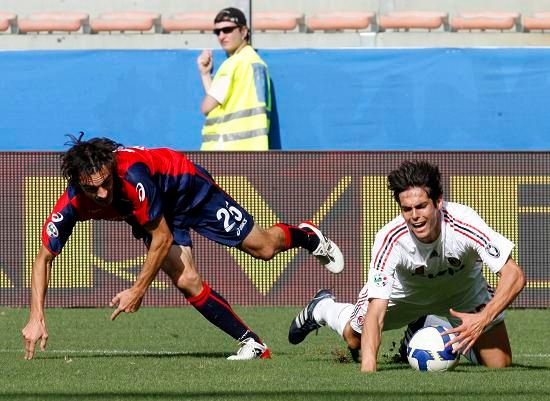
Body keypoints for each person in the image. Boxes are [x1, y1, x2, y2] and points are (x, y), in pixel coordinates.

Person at [21, 134, 343, 361]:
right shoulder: (73, 203)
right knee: (187, 280)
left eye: (106, 183)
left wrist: (137, 290)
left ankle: (305, 235)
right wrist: (37, 315)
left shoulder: (132, 177)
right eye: (94, 189)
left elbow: (160, 239)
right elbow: (43, 258)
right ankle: (253, 344)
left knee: (263, 248)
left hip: (187, 188)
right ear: (78, 182)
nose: (103, 194)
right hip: (157, 214)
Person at [288, 160, 526, 372]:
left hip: (462, 294)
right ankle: (323, 308)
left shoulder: (463, 223)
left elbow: (514, 275)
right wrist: (368, 370)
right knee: (354, 340)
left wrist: (482, 319)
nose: (414, 216)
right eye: (407, 209)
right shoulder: (390, 239)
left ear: (438, 202)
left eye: (421, 206)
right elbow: (377, 311)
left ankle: (427, 325)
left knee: (499, 364)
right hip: (403, 297)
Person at [197, 7, 271, 151]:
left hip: (225, 153)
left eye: (228, 30)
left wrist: (204, 75)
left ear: (243, 32)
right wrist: (206, 74)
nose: (221, 36)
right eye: (217, 32)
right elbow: (219, 105)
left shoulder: (233, 64)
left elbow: (207, 107)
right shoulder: (258, 63)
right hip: (255, 152)